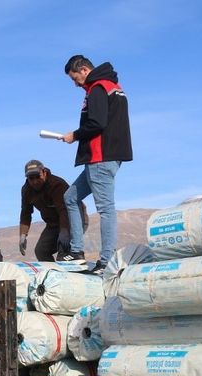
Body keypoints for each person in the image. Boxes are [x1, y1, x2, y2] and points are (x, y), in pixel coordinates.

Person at [60, 55, 132, 275]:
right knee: (70, 197)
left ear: (83, 70)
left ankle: (106, 260)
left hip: (101, 158)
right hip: (103, 158)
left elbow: (97, 123)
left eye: (75, 79)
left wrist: (75, 135)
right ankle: (77, 251)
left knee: (105, 208)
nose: (76, 84)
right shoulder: (112, 87)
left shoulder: (98, 88)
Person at [19, 160, 88, 261]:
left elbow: (64, 210)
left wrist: (65, 231)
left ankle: (75, 267)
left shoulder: (57, 184)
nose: (35, 181)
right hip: (53, 225)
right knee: (41, 251)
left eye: (37, 176)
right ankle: (52, 274)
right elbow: (25, 212)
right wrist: (23, 235)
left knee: (63, 254)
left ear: (44, 172)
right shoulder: (26, 190)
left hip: (73, 220)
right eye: (31, 178)